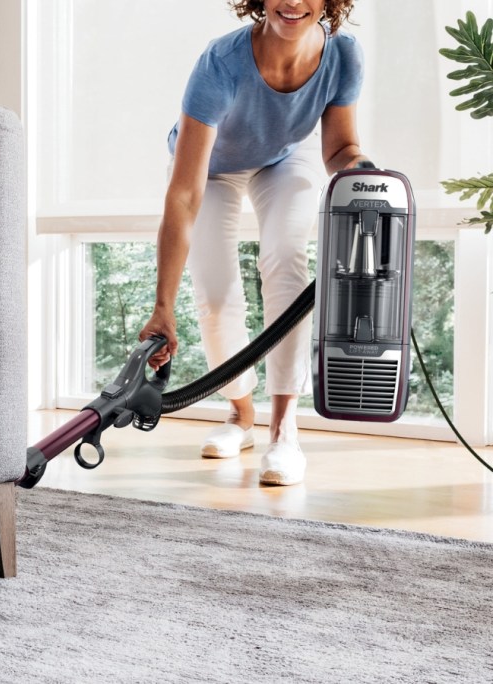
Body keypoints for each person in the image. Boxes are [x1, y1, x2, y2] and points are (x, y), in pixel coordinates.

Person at [139, 0, 368, 486]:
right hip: (214, 168)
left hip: (286, 158)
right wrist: (163, 304)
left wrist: (362, 171)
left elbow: (340, 150)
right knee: (217, 297)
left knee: (287, 259)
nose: (292, 3)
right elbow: (183, 194)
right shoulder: (221, 62)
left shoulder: (343, 55)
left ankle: (284, 429)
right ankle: (241, 414)